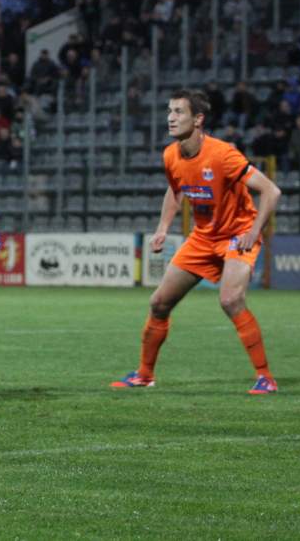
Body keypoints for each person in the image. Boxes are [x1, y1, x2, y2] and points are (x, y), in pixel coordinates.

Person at [111, 90, 282, 394]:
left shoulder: (223, 154)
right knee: (159, 303)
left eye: (178, 112)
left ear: (198, 119)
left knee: (230, 299)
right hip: (203, 238)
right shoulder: (170, 154)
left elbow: (271, 191)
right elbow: (175, 190)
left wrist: (255, 231)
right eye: (169, 111)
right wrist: (163, 227)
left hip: (237, 233)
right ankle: (144, 375)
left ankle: (265, 377)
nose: (170, 118)